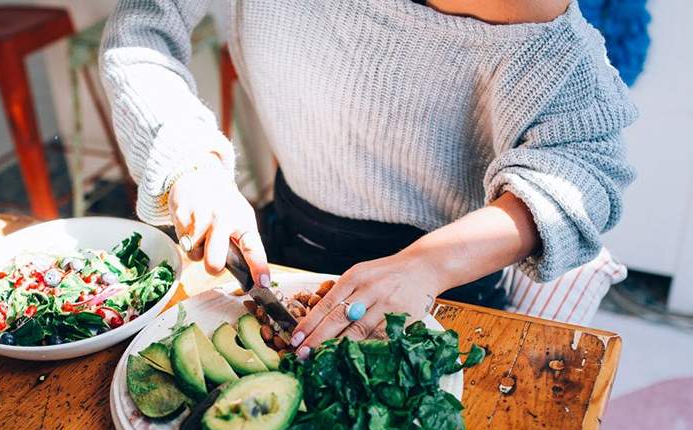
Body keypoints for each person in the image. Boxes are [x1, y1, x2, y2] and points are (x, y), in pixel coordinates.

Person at [100, 0, 637, 357]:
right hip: (287, 249)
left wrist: (428, 265)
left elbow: (588, 164)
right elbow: (143, 25)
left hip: (443, 295)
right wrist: (189, 159)